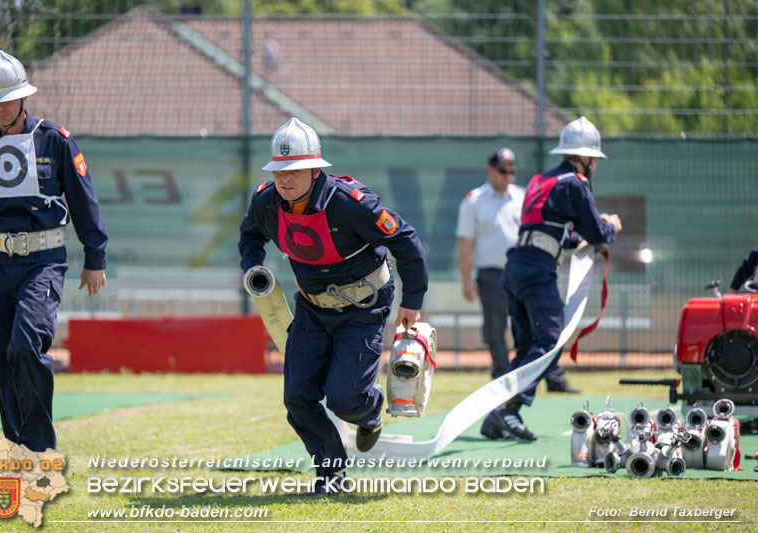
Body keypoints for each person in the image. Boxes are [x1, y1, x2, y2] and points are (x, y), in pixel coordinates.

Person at [239, 117, 428, 496]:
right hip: (311, 309)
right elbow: (250, 236)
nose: (285, 179)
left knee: (345, 399)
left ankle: (370, 411)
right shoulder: (265, 201)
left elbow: (405, 240)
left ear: (314, 168)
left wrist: (413, 301)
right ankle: (331, 476)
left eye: (294, 170)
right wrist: (253, 266)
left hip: (365, 308)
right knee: (297, 397)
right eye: (279, 170)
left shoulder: (350, 202)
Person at [0, 50, 108, 452]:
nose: (1, 108)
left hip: (43, 262)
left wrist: (95, 258)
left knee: (26, 346)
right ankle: (19, 444)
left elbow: (83, 201)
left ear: (23, 97)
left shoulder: (55, 140)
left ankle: (40, 447)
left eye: (7, 98)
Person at [482, 116, 622, 441]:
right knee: (549, 342)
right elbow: (595, 232)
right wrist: (611, 225)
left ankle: (498, 414)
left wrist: (579, 236)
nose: (594, 167)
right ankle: (506, 409)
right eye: (594, 161)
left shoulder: (541, 180)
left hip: (516, 265)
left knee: (529, 345)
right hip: (535, 269)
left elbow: (549, 230)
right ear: (584, 157)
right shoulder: (575, 182)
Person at [457, 148, 579, 393]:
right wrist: (467, 280)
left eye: (512, 171)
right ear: (491, 169)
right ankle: (504, 380)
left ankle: (553, 377)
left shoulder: (523, 196)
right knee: (495, 330)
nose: (508, 176)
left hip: (523, 271)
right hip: (491, 275)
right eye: (503, 170)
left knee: (540, 325)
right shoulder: (474, 201)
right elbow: (465, 243)